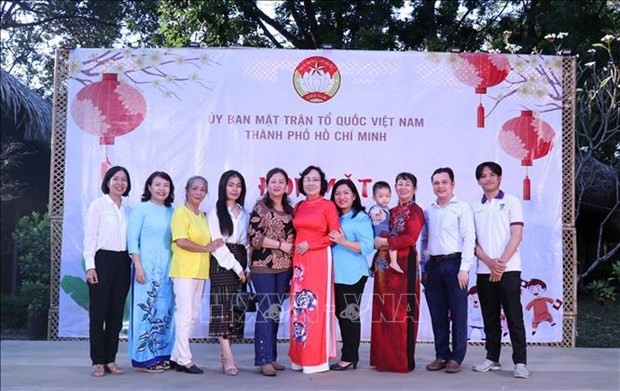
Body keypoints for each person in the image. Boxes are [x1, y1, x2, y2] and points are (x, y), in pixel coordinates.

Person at [470, 161, 529, 379]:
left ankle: (520, 362)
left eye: (492, 175)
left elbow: (517, 235)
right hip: (484, 270)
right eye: (483, 176)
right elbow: (472, 240)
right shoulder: (474, 206)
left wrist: (500, 263)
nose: (488, 179)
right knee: (490, 317)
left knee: (514, 316)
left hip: (510, 269)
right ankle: (492, 358)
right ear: (478, 181)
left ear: (500, 178)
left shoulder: (512, 201)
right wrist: (489, 262)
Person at [420, 167, 476, 374]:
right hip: (433, 266)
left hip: (455, 265)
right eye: (436, 183)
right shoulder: (429, 210)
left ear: (453, 184)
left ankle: (456, 358)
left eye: (444, 182)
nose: (440, 186)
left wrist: (464, 269)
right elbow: (424, 240)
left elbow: (469, 238)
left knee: (458, 313)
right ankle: (441, 355)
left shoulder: (462, 208)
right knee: (438, 314)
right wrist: (423, 268)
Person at [370, 172, 425, 373]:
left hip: (404, 265)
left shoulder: (416, 211)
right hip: (384, 266)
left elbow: (410, 237)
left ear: (414, 189)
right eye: (399, 184)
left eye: (407, 184)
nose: (403, 187)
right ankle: (383, 359)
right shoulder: (389, 211)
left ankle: (400, 361)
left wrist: (385, 242)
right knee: (384, 310)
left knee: (402, 312)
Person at [169, 176, 224, 374]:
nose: (198, 192)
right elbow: (180, 241)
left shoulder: (202, 216)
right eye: (195, 188)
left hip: (200, 272)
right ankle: (185, 360)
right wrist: (206, 247)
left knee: (192, 316)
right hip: (184, 271)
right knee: (184, 315)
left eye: (202, 189)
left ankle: (175, 356)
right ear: (187, 190)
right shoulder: (180, 213)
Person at [289, 165, 340, 374]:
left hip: (318, 258)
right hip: (299, 261)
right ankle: (299, 357)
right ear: (302, 183)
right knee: (298, 308)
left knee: (315, 306)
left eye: (315, 180)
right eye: (307, 179)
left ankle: (316, 359)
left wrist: (311, 245)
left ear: (322, 184)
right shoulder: (299, 206)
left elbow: (335, 235)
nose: (311, 183)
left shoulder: (328, 206)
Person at [84, 166, 133, 377]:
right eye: (116, 179)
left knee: (115, 315)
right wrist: (90, 266)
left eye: (124, 180)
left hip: (123, 262)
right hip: (102, 260)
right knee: (98, 313)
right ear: (108, 181)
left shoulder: (129, 209)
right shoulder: (98, 205)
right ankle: (97, 360)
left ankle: (111, 359)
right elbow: (90, 237)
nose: (120, 183)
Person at [247, 167, 295, 376]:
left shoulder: (290, 210)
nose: (277, 185)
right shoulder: (261, 207)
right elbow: (254, 238)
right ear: (267, 184)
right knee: (266, 310)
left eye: (281, 181)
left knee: (275, 312)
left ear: (287, 186)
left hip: (285, 268)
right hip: (263, 267)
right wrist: (280, 245)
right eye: (273, 181)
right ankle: (262, 358)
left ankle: (272, 356)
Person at [127, 171, 176, 373]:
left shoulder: (173, 212)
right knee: (145, 312)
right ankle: (143, 358)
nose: (161, 189)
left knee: (165, 312)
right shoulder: (141, 210)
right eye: (157, 184)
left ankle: (161, 354)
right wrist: (137, 265)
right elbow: (132, 241)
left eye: (166, 185)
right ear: (149, 187)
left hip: (168, 270)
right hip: (145, 269)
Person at [328, 179, 374, 371]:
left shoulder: (361, 218)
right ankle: (348, 354)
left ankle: (349, 357)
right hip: (335, 275)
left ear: (354, 196)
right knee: (341, 314)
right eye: (338, 193)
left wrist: (343, 241)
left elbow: (367, 247)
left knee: (349, 315)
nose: (342, 197)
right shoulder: (334, 217)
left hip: (353, 275)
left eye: (346, 193)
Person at [207, 170, 249, 376]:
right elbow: (217, 244)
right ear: (223, 186)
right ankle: (227, 356)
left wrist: (246, 267)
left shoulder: (244, 211)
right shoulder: (215, 210)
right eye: (231, 184)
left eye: (238, 185)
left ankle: (226, 351)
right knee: (221, 310)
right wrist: (237, 267)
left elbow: (247, 243)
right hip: (222, 262)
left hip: (241, 258)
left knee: (235, 311)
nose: (235, 189)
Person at [368, 181, 402, 273]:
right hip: (380, 232)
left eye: (387, 196)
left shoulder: (386, 208)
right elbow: (375, 216)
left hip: (385, 231)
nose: (384, 199)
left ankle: (373, 266)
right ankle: (393, 262)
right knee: (393, 243)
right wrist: (377, 216)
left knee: (383, 250)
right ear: (374, 198)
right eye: (381, 196)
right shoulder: (375, 208)